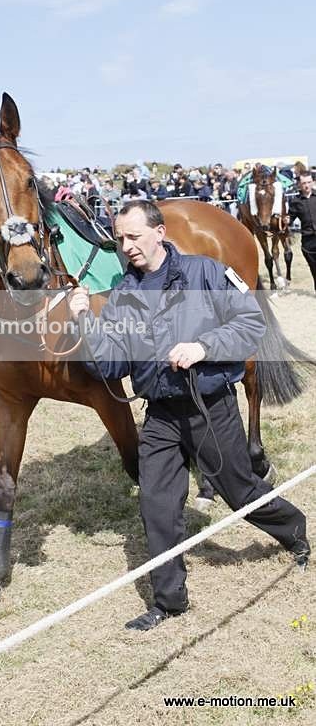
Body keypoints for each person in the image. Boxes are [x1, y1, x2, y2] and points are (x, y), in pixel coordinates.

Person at [68, 199, 310, 631]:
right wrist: (84, 322)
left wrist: (204, 347)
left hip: (209, 408)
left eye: (134, 236)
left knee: (241, 492)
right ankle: (169, 601)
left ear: (159, 233)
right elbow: (110, 365)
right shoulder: (123, 296)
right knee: (156, 504)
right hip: (160, 416)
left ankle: (295, 530)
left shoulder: (206, 273)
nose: (127, 246)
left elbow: (251, 324)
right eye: (121, 239)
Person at [285, 173, 316, 292]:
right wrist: (287, 220)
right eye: (304, 183)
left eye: (309, 182)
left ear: (313, 182)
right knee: (314, 269)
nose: (306, 185)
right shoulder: (296, 201)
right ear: (299, 184)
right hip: (308, 241)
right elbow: (290, 218)